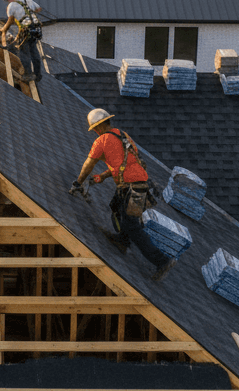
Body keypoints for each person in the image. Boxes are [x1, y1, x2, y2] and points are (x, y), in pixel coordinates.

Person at [73, 109, 176, 282]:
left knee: (132, 225)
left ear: (97, 128)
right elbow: (125, 163)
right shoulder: (122, 135)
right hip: (137, 185)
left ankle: (163, 261)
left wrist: (78, 182)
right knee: (118, 208)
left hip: (133, 188)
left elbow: (88, 164)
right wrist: (103, 177)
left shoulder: (101, 141)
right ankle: (122, 240)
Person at [0, 0, 43, 81]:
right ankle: (38, 74)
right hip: (36, 29)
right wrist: (26, 15)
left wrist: (4, 30)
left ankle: (28, 75)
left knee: (23, 51)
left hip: (26, 30)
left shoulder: (11, 6)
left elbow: (10, 21)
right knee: (34, 50)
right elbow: (38, 9)